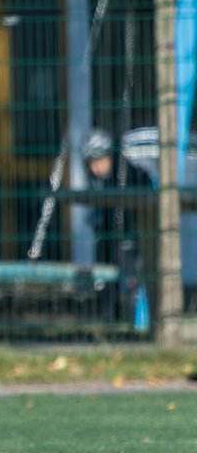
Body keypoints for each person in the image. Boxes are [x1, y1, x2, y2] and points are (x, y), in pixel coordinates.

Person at [83, 128, 153, 325]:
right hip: (108, 236)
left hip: (129, 236)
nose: (94, 168)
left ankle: (130, 315)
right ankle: (108, 316)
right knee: (104, 273)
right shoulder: (99, 181)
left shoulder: (129, 174)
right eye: (90, 163)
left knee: (129, 276)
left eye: (98, 161)